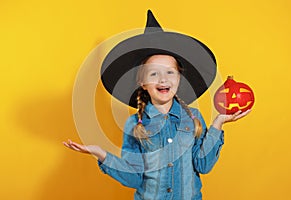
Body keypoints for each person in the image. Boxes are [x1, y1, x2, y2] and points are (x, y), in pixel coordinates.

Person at [63, 10, 250, 200]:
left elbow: (203, 165)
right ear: (142, 82)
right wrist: (102, 154)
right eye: (153, 74)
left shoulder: (192, 118)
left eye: (170, 72)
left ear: (179, 78)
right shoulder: (134, 124)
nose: (163, 79)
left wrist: (218, 124)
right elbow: (134, 178)